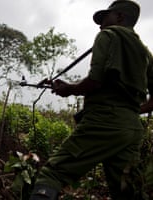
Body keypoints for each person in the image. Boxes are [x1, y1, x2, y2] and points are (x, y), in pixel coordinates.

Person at [30, 0, 153, 199]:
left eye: (105, 18)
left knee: (53, 172)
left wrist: (69, 89)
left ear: (119, 17)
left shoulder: (108, 35)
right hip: (132, 129)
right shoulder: (145, 52)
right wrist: (128, 113)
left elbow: (95, 81)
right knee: (127, 191)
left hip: (104, 120)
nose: (100, 24)